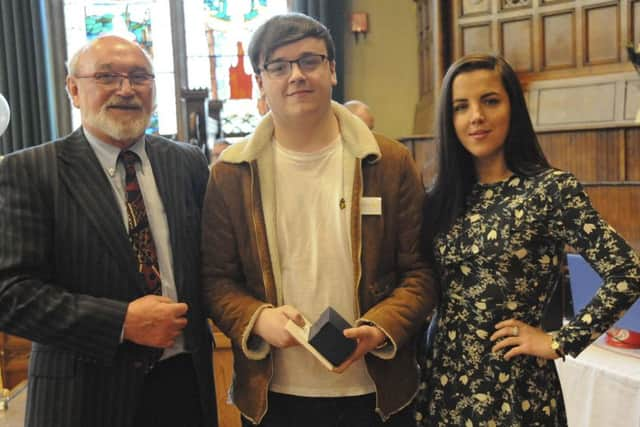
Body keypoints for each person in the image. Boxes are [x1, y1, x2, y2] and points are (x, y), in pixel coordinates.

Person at [201, 13, 436, 427]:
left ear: (332, 70)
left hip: (378, 390)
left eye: (309, 60)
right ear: (261, 81)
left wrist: (379, 328)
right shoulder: (231, 173)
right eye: (279, 65)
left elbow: (420, 272)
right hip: (274, 396)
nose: (296, 75)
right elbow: (216, 280)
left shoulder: (390, 161)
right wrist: (259, 318)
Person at [0, 35, 217, 427]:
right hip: (83, 395)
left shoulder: (187, 163)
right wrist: (119, 321)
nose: (125, 89)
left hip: (184, 386)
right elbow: (10, 294)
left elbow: (210, 267)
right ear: (74, 89)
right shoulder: (29, 172)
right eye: (106, 77)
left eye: (139, 77)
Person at [414, 53, 640, 426]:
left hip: (513, 388)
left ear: (513, 107)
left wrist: (559, 341)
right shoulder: (441, 198)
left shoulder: (550, 190)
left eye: (490, 101)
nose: (476, 117)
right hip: (442, 382)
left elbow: (627, 273)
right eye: (460, 106)